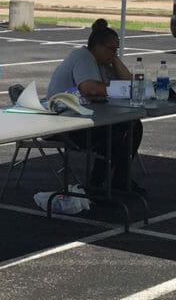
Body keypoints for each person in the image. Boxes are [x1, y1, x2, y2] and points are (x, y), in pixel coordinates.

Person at [46, 18, 144, 192]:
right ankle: (97, 184)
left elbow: (129, 83)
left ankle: (119, 180)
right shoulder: (82, 57)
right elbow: (90, 88)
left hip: (85, 119)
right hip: (63, 124)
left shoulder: (103, 63)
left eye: (116, 50)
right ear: (97, 46)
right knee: (117, 132)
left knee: (133, 126)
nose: (114, 54)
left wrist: (114, 60)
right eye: (111, 50)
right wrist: (120, 89)